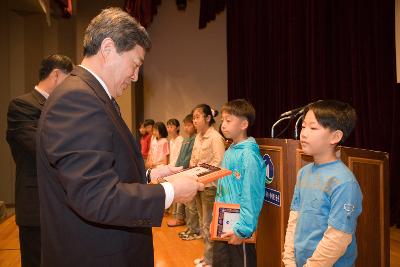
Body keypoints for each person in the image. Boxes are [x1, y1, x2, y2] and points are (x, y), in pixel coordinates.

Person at [36, 7, 203, 267]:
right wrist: (169, 192)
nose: (135, 77)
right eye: (134, 64)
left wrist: (149, 175)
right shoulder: (79, 99)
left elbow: (98, 169)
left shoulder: (91, 95)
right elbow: (94, 196)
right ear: (108, 49)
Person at [6, 54, 73, 267]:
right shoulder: (22, 105)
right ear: (55, 74)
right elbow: (42, 147)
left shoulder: (63, 106)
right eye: (68, 78)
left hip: (62, 202)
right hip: (36, 202)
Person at [282, 100, 363, 267]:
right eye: (303, 126)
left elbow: (338, 237)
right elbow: (294, 219)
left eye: (313, 128)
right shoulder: (303, 173)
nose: (303, 133)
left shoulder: (344, 182)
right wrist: (289, 260)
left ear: (335, 137)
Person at [212, 99, 266, 267]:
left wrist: (243, 229)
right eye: (222, 120)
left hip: (238, 228)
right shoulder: (230, 150)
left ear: (243, 124)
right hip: (222, 223)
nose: (223, 125)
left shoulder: (249, 155)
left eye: (228, 120)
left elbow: (252, 195)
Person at [190, 104, 226, 267]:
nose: (194, 120)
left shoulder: (215, 137)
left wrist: (202, 177)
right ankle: (207, 257)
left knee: (208, 224)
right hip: (197, 185)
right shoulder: (197, 137)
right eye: (193, 117)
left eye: (197, 117)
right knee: (203, 224)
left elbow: (219, 163)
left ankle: (211, 260)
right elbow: (193, 160)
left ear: (208, 118)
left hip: (210, 186)